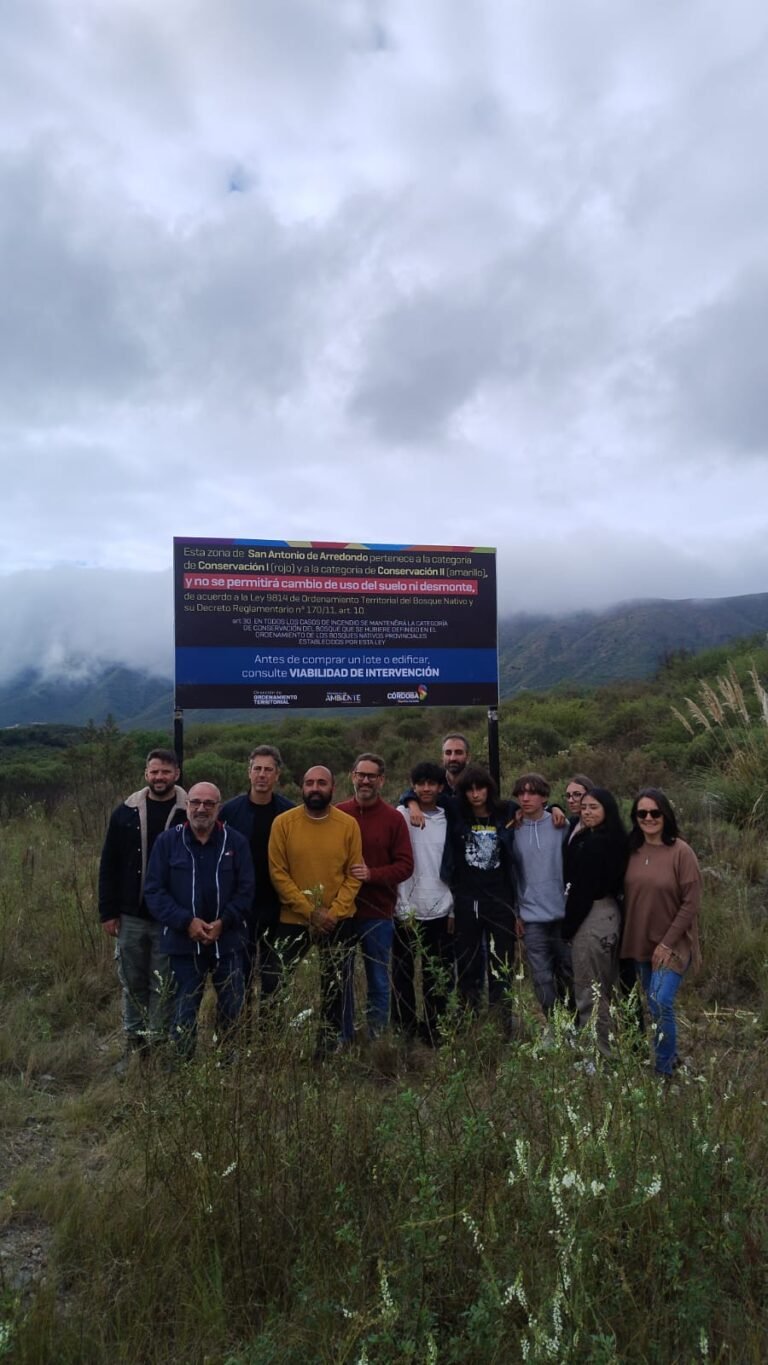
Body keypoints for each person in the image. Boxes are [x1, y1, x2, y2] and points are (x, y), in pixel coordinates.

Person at [144, 783, 254, 1060]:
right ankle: (183, 1068)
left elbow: (247, 890)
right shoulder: (168, 842)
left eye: (208, 803)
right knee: (184, 1008)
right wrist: (186, 922)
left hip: (227, 942)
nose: (201, 809)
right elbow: (154, 891)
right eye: (195, 802)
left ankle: (228, 1064)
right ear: (187, 806)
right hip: (182, 943)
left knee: (232, 1005)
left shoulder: (236, 842)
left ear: (219, 807)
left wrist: (224, 921)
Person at [98, 748, 187, 1068]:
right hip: (131, 914)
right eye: (154, 772)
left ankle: (158, 1042)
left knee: (163, 983)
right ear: (146, 774)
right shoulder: (125, 812)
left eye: (165, 771)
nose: (159, 777)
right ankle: (134, 1043)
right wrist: (108, 912)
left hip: (171, 917)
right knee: (132, 980)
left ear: (176, 773)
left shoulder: (190, 810)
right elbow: (109, 863)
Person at [268, 766, 362, 1056]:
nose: (315, 788)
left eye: (321, 783)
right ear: (302, 787)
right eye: (309, 783)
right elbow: (278, 874)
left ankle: (329, 1046)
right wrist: (310, 911)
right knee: (274, 980)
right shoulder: (283, 823)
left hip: (338, 921)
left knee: (335, 985)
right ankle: (274, 1043)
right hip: (293, 919)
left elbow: (354, 873)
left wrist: (334, 912)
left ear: (333, 788)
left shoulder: (348, 825)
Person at [621, 788, 702, 1077]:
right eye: (642, 813)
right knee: (652, 1002)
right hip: (639, 940)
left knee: (659, 999)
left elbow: (691, 902)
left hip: (673, 943)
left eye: (655, 812)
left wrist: (667, 943)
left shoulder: (681, 852)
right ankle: (670, 1054)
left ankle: (664, 1069)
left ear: (665, 815)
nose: (649, 818)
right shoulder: (630, 850)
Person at [337, 754, 414, 1044]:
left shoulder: (393, 819)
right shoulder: (338, 814)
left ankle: (376, 1037)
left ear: (382, 780)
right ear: (352, 776)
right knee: (340, 979)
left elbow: (406, 865)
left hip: (378, 912)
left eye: (372, 776)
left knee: (378, 980)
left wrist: (373, 874)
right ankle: (342, 1036)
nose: (365, 780)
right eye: (361, 774)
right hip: (342, 912)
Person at [220, 746, 295, 1018]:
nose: (262, 775)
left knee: (274, 976)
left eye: (268, 770)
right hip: (239, 908)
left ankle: (269, 1032)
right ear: (248, 772)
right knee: (240, 975)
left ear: (277, 775)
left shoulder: (289, 813)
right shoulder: (229, 811)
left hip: (278, 907)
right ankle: (239, 1030)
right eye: (257, 769)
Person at [447, 765, 518, 1033]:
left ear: (489, 788)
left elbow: (537, 809)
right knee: (468, 963)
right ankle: (470, 1022)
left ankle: (502, 1026)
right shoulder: (456, 814)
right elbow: (420, 794)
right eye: (469, 790)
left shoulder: (506, 812)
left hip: (500, 901)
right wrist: (409, 801)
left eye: (480, 788)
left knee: (501, 966)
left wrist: (556, 806)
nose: (476, 794)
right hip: (467, 901)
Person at [393, 762, 456, 1044]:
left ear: (441, 787)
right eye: (421, 783)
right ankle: (405, 1030)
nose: (427, 788)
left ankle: (434, 1031)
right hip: (406, 911)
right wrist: (401, 906)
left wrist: (453, 908)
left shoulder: (450, 820)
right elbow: (396, 864)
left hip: (442, 910)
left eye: (432, 783)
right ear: (413, 786)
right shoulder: (401, 816)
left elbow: (458, 868)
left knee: (437, 976)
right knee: (403, 975)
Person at [562, 788, 628, 1056]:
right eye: (584, 806)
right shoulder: (611, 838)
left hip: (593, 915)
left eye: (594, 807)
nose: (587, 812)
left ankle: (599, 1055)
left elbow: (583, 892)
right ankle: (604, 1046)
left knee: (591, 989)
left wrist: (568, 928)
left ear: (607, 810)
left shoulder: (595, 844)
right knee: (603, 987)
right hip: (611, 913)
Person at [512, 773, 572, 1026]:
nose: (525, 798)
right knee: (542, 977)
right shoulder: (511, 830)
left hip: (564, 914)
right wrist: (515, 912)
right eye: (521, 793)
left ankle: (576, 1025)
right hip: (531, 916)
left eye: (532, 792)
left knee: (569, 973)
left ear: (544, 797)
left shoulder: (562, 826)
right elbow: (510, 875)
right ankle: (556, 1027)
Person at [564, 774, 595, 840]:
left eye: (577, 794)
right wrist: (554, 808)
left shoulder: (597, 827)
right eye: (568, 795)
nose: (570, 800)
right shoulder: (571, 823)